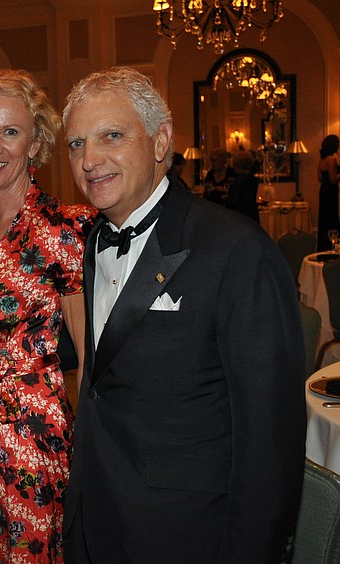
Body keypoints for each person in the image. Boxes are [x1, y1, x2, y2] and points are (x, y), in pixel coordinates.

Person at [61, 67, 305, 563]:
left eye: (111, 135)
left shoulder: (236, 251)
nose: (89, 160)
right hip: (98, 523)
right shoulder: (87, 246)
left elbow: (269, 445)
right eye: (75, 144)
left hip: (188, 536)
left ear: (160, 142)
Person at [0, 68, 94, 563]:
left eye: (10, 131)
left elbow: (88, 358)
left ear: (35, 142)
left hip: (31, 431)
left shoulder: (65, 229)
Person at [317, 134, 340, 251]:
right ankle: (332, 246)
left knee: (324, 218)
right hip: (331, 192)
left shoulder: (321, 160)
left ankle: (323, 245)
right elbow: (333, 179)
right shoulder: (332, 160)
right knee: (332, 217)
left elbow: (320, 177)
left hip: (323, 191)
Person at [226, 150, 260, 222]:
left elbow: (234, 200)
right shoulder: (253, 179)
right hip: (252, 213)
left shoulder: (239, 180)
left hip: (240, 214)